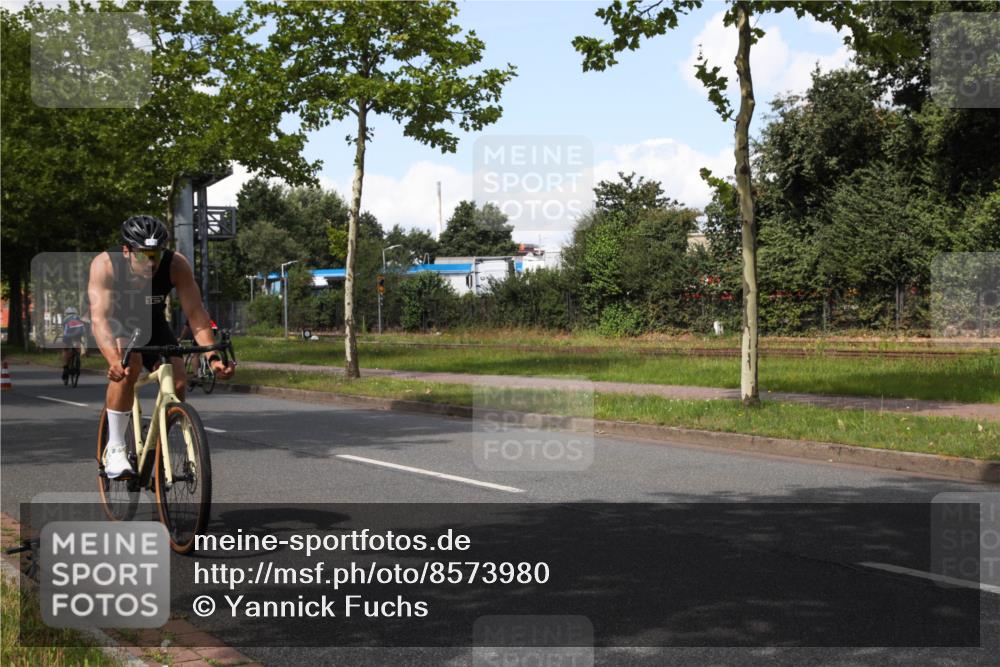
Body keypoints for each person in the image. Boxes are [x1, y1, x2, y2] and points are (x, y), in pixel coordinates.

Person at [88, 215, 234, 478]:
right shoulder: (105, 265)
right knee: (128, 366)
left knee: (178, 381)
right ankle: (116, 447)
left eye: (155, 254)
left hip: (154, 325)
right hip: (118, 325)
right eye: (143, 255)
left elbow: (196, 315)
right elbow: (99, 319)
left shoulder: (176, 264)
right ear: (126, 251)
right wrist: (112, 360)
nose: (151, 262)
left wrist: (212, 358)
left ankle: (159, 445)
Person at [59, 306, 87, 382]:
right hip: (78, 335)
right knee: (77, 345)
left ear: (66, 313)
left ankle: (65, 367)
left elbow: (64, 330)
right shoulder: (78, 318)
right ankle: (77, 358)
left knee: (65, 349)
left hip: (68, 336)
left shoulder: (65, 319)